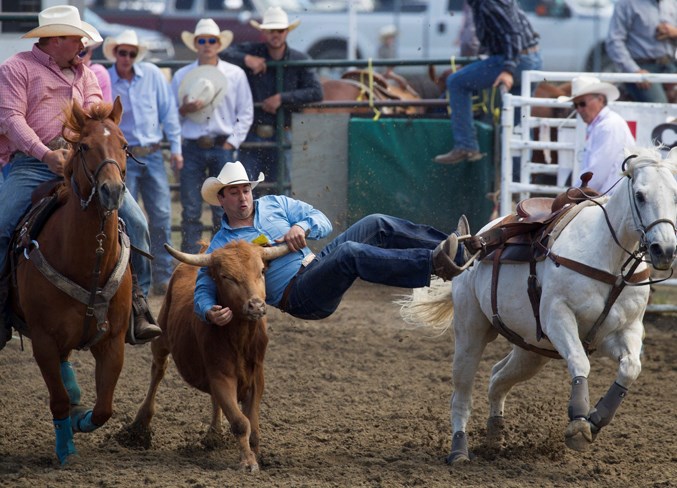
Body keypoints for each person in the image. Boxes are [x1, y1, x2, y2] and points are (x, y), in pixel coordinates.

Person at [0, 5, 161, 350]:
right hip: (31, 164)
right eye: (77, 38)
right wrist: (45, 153)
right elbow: (12, 120)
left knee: (138, 223)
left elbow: (96, 110)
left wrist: (80, 146)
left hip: (84, 163)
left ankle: (138, 304)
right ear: (56, 39)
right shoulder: (16, 69)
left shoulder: (85, 74)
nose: (83, 45)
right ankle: (1, 307)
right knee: (2, 225)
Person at [193, 161, 471, 324]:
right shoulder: (223, 246)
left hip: (317, 264)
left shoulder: (275, 203)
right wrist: (207, 311)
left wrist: (302, 226)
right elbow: (203, 285)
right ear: (221, 198)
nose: (243, 198)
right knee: (349, 253)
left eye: (245, 190)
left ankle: (456, 248)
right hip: (299, 295)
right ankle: (436, 265)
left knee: (375, 222)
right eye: (234, 193)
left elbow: (322, 220)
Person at [105, 29, 183, 295]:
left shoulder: (151, 75)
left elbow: (169, 112)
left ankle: (162, 276)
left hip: (150, 153)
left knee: (160, 215)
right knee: (128, 218)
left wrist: (176, 147)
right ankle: (134, 278)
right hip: (124, 158)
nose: (127, 57)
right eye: (122, 52)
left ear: (137, 55)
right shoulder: (106, 79)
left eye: (131, 53)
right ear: (115, 53)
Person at [171, 18, 254, 254]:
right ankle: (191, 263)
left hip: (221, 145)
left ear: (218, 44)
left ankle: (222, 259)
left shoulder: (235, 74)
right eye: (202, 40)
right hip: (192, 146)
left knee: (223, 209)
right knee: (191, 207)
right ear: (196, 44)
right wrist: (182, 114)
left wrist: (231, 141)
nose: (207, 44)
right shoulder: (181, 76)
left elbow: (245, 111)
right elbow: (171, 117)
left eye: (211, 40)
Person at [221, 7, 322, 192]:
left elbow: (316, 92)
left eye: (280, 30)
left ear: (287, 32)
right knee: (248, 186)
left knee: (279, 186)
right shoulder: (253, 51)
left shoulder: (299, 60)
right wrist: (247, 59)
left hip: (281, 131)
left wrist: (282, 98)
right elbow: (222, 53)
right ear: (264, 32)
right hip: (252, 132)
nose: (275, 35)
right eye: (271, 30)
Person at [433, 0, 542, 165]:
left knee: (456, 82)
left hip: (515, 60)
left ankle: (466, 144)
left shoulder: (486, 3)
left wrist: (508, 70)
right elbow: (508, 30)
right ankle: (518, 183)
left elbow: (512, 34)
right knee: (517, 128)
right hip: (532, 58)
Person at [559, 76, 635, 194]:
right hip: (609, 196)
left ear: (600, 100)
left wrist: (572, 194)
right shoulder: (603, 125)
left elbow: (597, 173)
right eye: (575, 105)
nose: (579, 109)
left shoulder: (608, 126)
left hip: (611, 198)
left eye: (582, 104)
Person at [606, 0, 677, 104]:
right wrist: (634, 71)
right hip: (643, 67)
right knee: (659, 106)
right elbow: (614, 42)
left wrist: (674, 33)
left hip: (670, 65)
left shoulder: (672, 3)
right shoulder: (627, 4)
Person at [79, 28, 112, 103]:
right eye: (76, 52)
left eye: (82, 52)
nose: (78, 56)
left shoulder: (98, 71)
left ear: (90, 52)